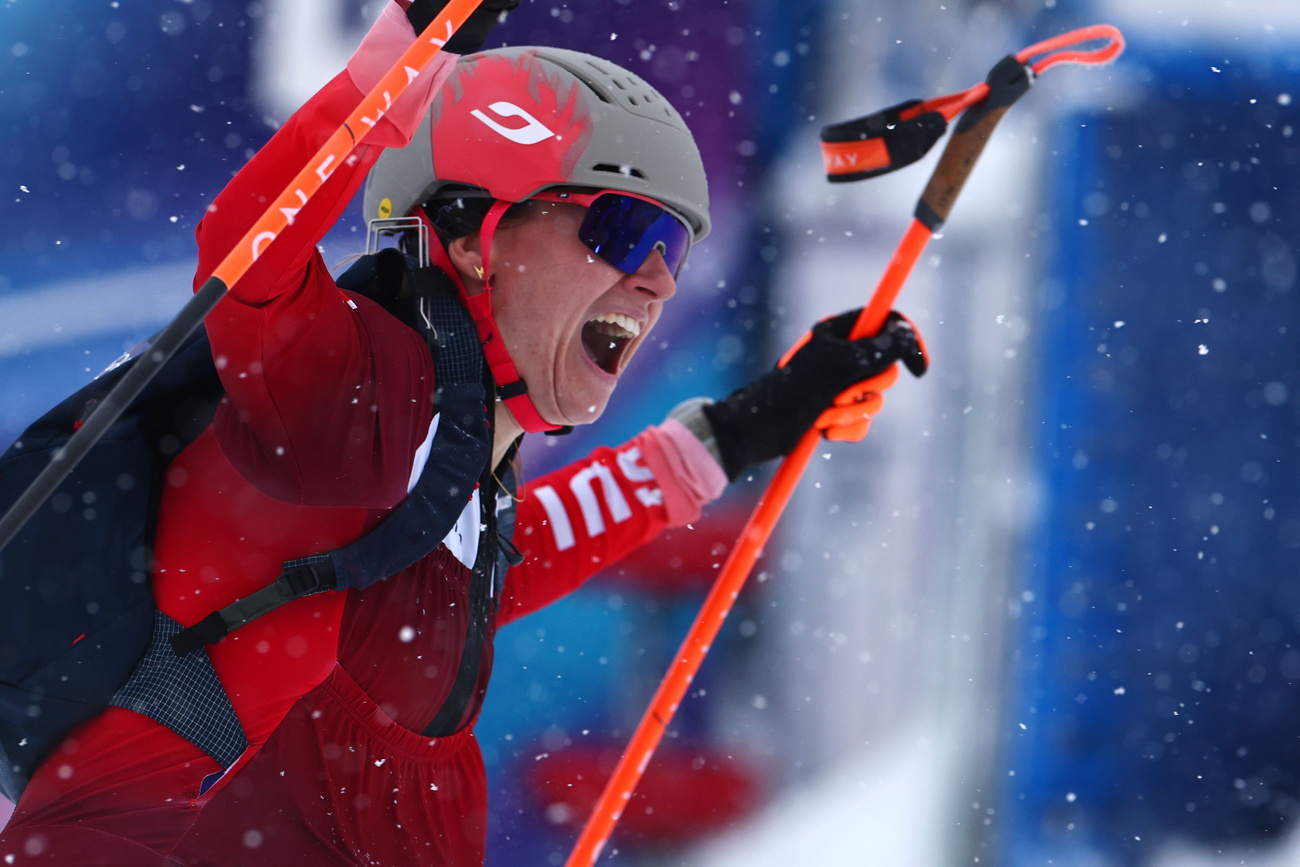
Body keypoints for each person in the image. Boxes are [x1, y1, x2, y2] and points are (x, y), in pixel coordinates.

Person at [0, 1, 926, 864]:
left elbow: (495, 567)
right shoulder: (345, 384)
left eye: (671, 248)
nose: (655, 281)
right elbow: (247, 253)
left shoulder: (445, 457)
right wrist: (400, 56)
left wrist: (742, 428)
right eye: (620, 228)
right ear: (474, 238)